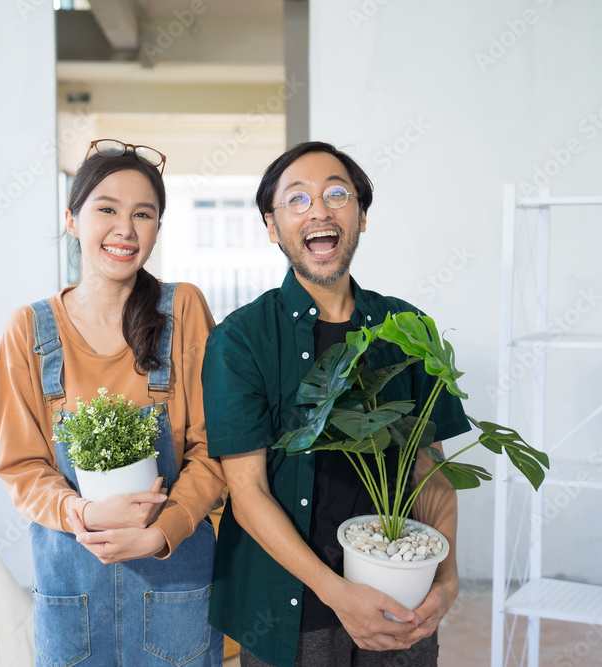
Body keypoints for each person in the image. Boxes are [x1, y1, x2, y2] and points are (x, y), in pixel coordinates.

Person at [202, 141, 471, 666]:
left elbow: (428, 467)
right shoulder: (241, 340)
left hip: (402, 598)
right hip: (288, 610)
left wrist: (446, 573)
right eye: (296, 200)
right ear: (271, 225)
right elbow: (248, 491)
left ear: (361, 216)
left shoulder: (407, 328)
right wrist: (338, 593)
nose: (319, 210)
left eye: (336, 194)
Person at [0, 139, 226, 666]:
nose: (125, 228)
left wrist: (160, 533)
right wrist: (81, 510)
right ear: (73, 219)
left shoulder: (182, 310)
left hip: (174, 584)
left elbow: (214, 449)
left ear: (157, 230)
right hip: (73, 588)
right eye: (106, 209)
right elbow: (22, 467)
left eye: (143, 214)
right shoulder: (29, 330)